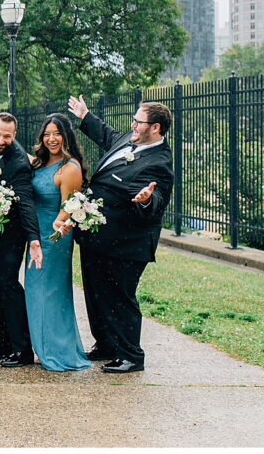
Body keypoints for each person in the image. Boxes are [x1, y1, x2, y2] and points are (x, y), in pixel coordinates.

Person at [66, 96, 174, 373]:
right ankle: (105, 344)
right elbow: (108, 136)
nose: (133, 125)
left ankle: (130, 355)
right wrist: (85, 115)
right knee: (96, 293)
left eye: (139, 122)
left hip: (126, 243)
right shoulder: (132, 138)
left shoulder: (159, 162)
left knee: (119, 298)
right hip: (97, 236)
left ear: (156, 129)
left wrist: (146, 200)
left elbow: (158, 199)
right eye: (134, 120)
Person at [24, 114, 91, 371]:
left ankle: (54, 348)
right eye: (47, 134)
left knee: (50, 292)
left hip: (54, 236)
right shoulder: (41, 163)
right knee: (35, 291)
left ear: (66, 136)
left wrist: (54, 232)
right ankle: (41, 345)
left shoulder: (69, 168)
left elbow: (68, 208)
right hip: (35, 236)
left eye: (57, 133)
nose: (51, 139)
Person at [0, 112, 40, 367]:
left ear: (14, 135)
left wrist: (33, 238)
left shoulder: (18, 163)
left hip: (12, 234)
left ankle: (22, 348)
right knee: (1, 283)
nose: (1, 140)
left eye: (7, 136)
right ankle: (4, 340)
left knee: (8, 284)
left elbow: (26, 202)